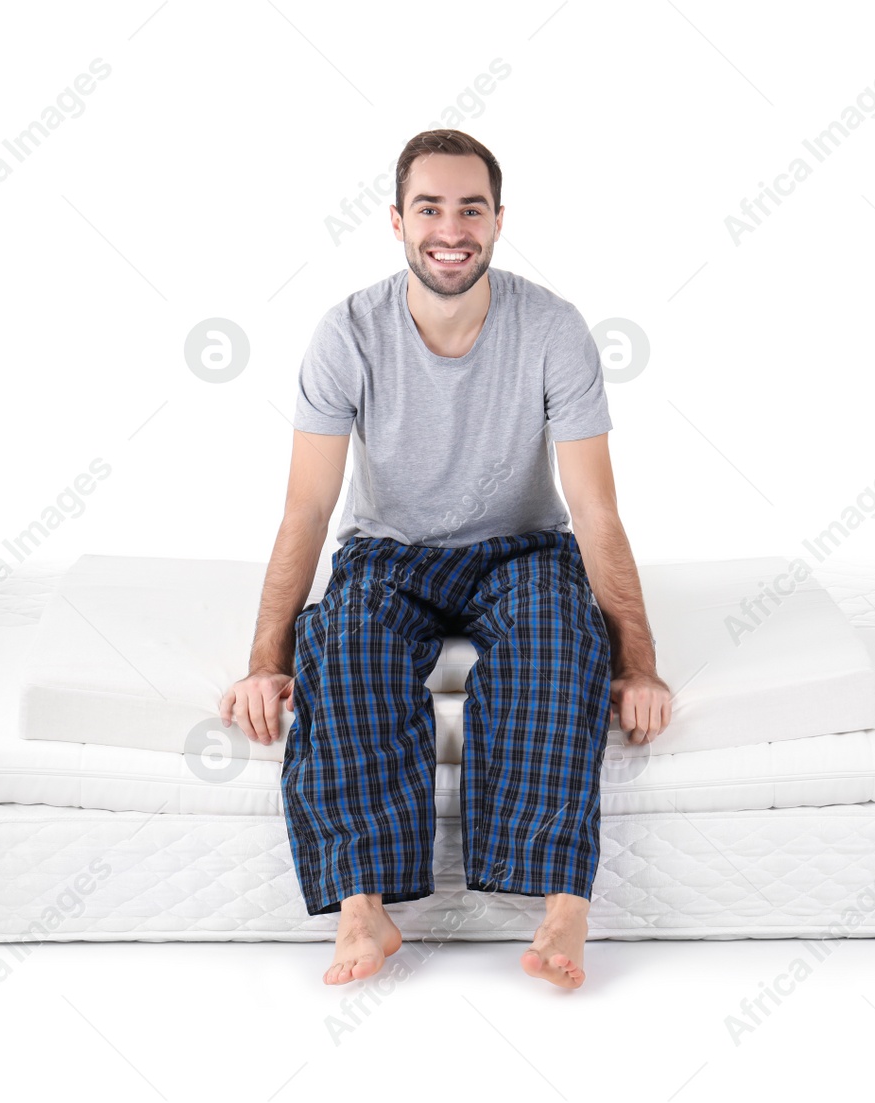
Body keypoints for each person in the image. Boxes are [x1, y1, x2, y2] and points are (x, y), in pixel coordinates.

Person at [219, 129, 670, 990]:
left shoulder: (554, 329)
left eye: (471, 208)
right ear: (397, 221)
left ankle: (564, 902)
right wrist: (264, 662)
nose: (450, 228)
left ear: (498, 221)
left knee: (559, 637)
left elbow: (596, 510)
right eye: (430, 208)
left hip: (520, 549)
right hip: (390, 554)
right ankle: (363, 906)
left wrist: (638, 664)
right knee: (340, 642)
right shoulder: (348, 331)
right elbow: (307, 507)